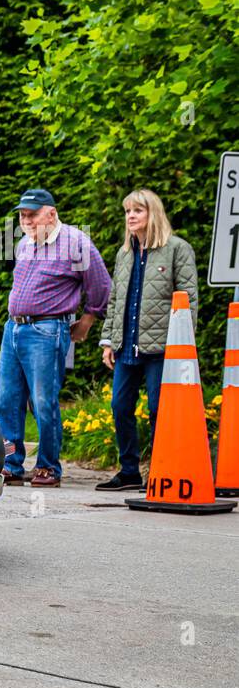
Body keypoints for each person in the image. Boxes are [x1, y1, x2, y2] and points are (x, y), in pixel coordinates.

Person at [0, 188, 110, 488]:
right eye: (22, 215)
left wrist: (86, 321)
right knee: (7, 401)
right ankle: (10, 464)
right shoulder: (24, 244)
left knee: (43, 402)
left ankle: (48, 467)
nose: (26, 220)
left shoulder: (75, 241)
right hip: (14, 329)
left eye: (32, 214)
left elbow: (100, 285)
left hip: (47, 330)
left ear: (52, 213)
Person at [95, 189, 198, 491]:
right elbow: (115, 300)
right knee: (120, 406)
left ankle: (160, 472)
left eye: (137, 211)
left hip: (163, 347)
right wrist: (107, 341)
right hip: (127, 344)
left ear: (153, 214)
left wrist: (183, 347)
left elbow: (189, 299)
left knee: (158, 409)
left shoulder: (178, 249)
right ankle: (129, 471)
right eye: (127, 212)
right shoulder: (125, 253)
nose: (130, 217)